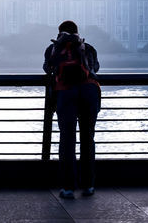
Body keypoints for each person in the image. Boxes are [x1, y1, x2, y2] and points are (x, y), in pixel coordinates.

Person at [43, 20, 101, 199]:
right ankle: (88, 185)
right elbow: (95, 68)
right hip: (89, 91)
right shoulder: (87, 47)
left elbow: (48, 68)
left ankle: (68, 188)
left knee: (67, 140)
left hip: (66, 93)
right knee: (87, 138)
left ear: (59, 33)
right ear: (77, 32)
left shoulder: (53, 48)